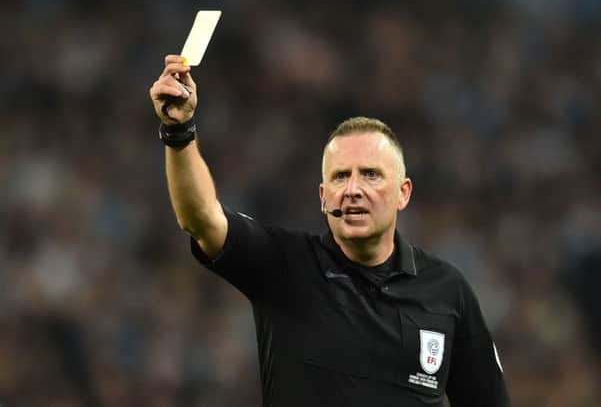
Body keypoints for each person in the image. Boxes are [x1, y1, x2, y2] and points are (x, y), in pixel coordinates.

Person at [149, 55, 511, 407]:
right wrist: (179, 132)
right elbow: (200, 219)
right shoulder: (285, 266)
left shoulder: (447, 291)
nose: (353, 189)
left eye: (371, 174)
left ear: (403, 193)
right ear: (324, 196)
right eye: (340, 176)